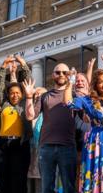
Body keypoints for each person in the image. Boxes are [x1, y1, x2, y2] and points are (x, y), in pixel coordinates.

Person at [62, 66, 103, 193]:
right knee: (97, 177)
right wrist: (70, 81)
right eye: (100, 81)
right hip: (97, 144)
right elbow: (67, 103)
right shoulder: (88, 101)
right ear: (96, 85)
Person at [25, 63, 77, 193]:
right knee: (46, 187)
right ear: (53, 75)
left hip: (67, 146)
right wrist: (28, 96)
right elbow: (30, 115)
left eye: (65, 72)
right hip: (46, 147)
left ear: (69, 75)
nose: (61, 75)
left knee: (68, 187)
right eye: (57, 72)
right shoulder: (44, 96)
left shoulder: (75, 96)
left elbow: (85, 118)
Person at [0, 55, 32, 193]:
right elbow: (0, 84)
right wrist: (4, 66)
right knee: (3, 181)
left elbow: (28, 81)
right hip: (1, 145)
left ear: (22, 94)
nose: (15, 95)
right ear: (8, 95)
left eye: (17, 93)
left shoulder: (24, 104)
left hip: (20, 145)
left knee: (19, 181)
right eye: (12, 93)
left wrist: (23, 64)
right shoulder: (4, 103)